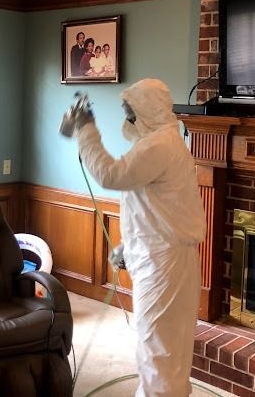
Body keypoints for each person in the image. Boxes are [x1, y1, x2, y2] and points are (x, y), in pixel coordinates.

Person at [66, 78, 206, 397]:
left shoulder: (160, 146)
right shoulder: (160, 143)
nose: (127, 118)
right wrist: (128, 246)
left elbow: (110, 175)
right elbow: (156, 209)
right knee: (159, 346)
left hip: (164, 264)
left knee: (160, 349)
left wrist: (85, 129)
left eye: (131, 112)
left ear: (147, 111)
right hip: (159, 257)